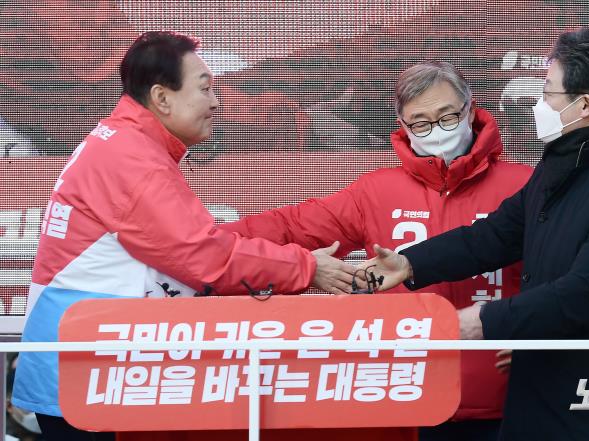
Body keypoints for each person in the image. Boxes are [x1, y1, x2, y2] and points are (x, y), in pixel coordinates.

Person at [11, 31, 360, 440]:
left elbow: (194, 245)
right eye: (205, 88)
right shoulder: (134, 160)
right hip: (90, 373)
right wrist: (306, 267)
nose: (216, 102)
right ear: (162, 98)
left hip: (90, 365)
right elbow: (206, 257)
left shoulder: (124, 143)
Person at [363, 28, 589, 441]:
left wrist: (484, 321)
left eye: (548, 91)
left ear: (583, 106)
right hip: (541, 391)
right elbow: (495, 235)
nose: (538, 102)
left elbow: (585, 292)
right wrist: (411, 262)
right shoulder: (562, 164)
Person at [221, 61, 533, 441]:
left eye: (448, 116)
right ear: (403, 126)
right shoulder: (376, 192)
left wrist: (545, 338)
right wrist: (207, 240)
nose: (436, 131)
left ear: (471, 108)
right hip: (404, 400)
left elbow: (568, 274)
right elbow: (293, 227)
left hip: (509, 400)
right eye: (420, 122)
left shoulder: (525, 185)